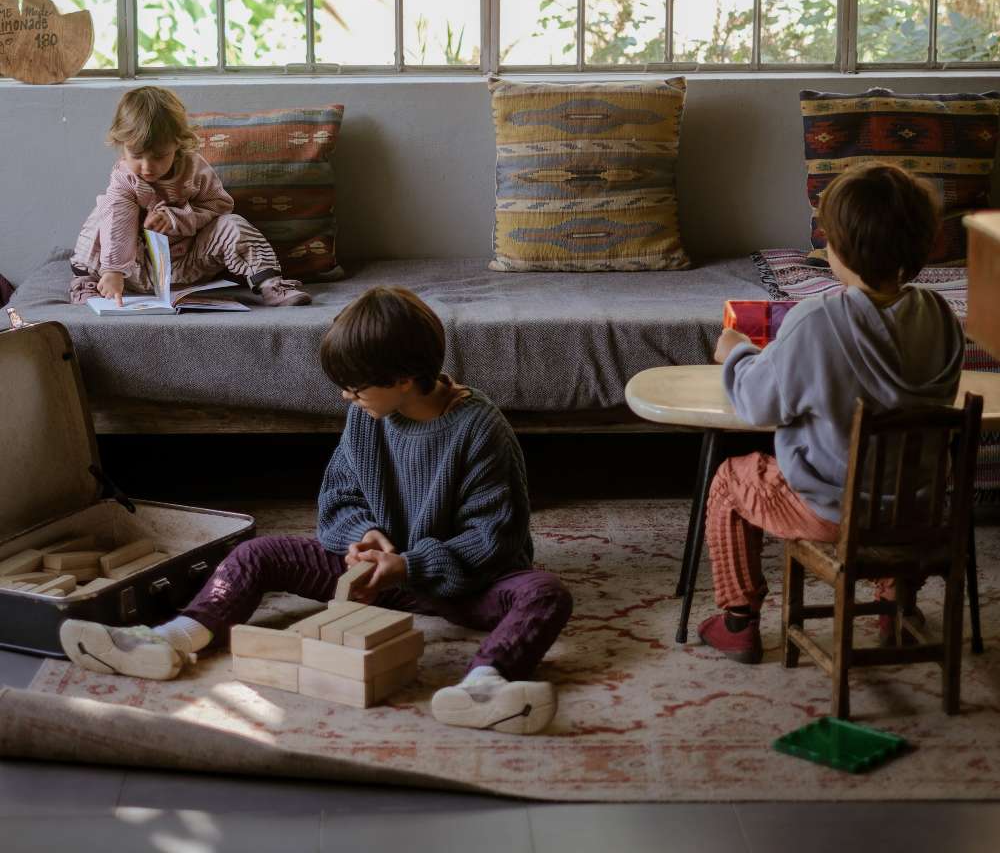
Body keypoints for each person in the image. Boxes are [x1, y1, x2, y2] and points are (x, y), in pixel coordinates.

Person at [60, 286, 573, 735]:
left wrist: (411, 566)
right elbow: (338, 500)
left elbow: (494, 539)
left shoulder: (480, 430)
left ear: (402, 379)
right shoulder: (367, 415)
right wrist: (365, 534)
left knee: (544, 594)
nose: (347, 397)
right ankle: (172, 639)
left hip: (460, 584)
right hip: (373, 578)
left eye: (355, 386)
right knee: (259, 553)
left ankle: (486, 685)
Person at [698, 163, 965, 663]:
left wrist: (735, 352)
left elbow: (757, 402)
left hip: (829, 507)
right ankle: (894, 604)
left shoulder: (815, 321)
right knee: (892, 473)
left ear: (839, 250)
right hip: (915, 508)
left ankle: (738, 620)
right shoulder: (941, 316)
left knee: (730, 481)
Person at [69, 86, 310, 307]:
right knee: (105, 211)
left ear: (178, 144)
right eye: (137, 155)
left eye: (159, 156)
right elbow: (118, 226)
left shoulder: (195, 170)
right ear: (121, 145)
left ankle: (271, 284)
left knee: (232, 224)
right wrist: (113, 270)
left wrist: (176, 219)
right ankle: (86, 282)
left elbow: (220, 206)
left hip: (187, 266)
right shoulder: (125, 179)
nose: (147, 167)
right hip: (131, 269)